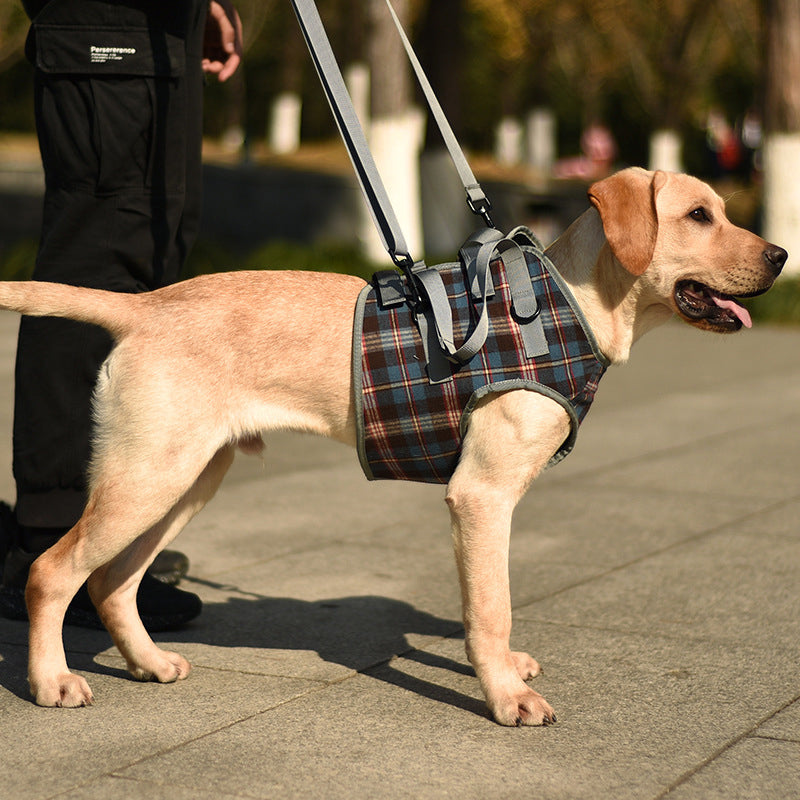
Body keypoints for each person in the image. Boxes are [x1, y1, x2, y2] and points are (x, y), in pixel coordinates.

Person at [0, 0, 242, 631]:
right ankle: (49, 536)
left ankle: (102, 533)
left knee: (150, 274)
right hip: (108, 21)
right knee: (98, 268)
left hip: (158, 27)